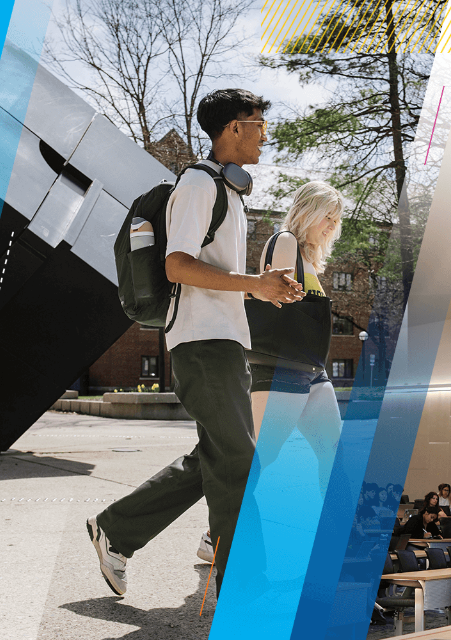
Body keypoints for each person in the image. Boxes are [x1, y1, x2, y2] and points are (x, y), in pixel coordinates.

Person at [87, 89, 304, 595]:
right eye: (257, 124)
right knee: (238, 459)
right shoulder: (199, 184)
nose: (264, 135)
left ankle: (115, 530)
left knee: (217, 455)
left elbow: (211, 272)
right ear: (232, 128)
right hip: (201, 343)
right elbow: (176, 265)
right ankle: (243, 580)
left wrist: (262, 286)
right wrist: (254, 284)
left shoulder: (229, 194)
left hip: (225, 341)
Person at [207, 181, 345, 562]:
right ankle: (214, 538)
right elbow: (267, 295)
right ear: (308, 212)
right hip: (281, 366)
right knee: (258, 460)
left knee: (333, 453)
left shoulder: (307, 256)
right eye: (326, 217)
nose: (331, 226)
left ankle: (331, 540)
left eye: (336, 220)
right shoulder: (285, 242)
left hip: (310, 370)